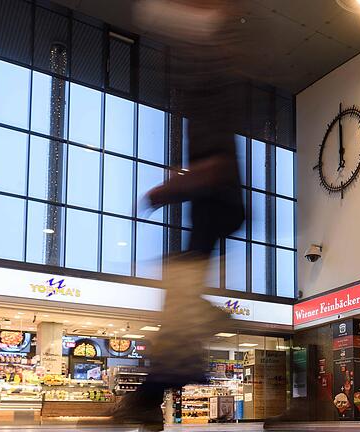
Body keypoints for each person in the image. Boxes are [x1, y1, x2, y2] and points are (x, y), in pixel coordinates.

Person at [91, 1, 249, 430]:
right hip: (213, 207)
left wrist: (169, 188)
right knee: (178, 295)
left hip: (217, 206)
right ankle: (151, 393)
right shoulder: (208, 91)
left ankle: (148, 397)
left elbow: (216, 166)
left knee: (178, 294)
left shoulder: (209, 90)